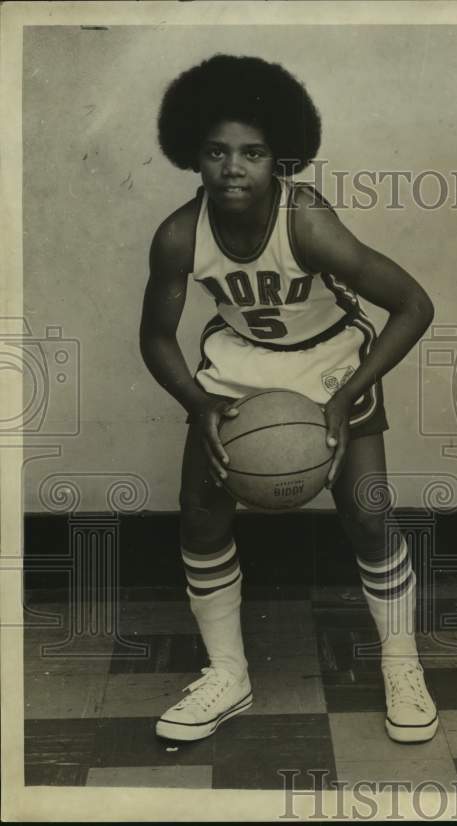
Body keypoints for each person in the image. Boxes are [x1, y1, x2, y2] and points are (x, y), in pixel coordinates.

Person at [139, 54, 438, 743]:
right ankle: (228, 674)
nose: (233, 167)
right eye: (217, 151)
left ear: (281, 158)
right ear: (193, 155)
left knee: (368, 513)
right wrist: (197, 399)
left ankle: (401, 660)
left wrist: (350, 395)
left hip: (331, 362)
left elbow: (413, 305)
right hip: (241, 365)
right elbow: (156, 337)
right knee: (200, 511)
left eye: (253, 152)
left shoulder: (307, 222)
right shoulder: (180, 234)